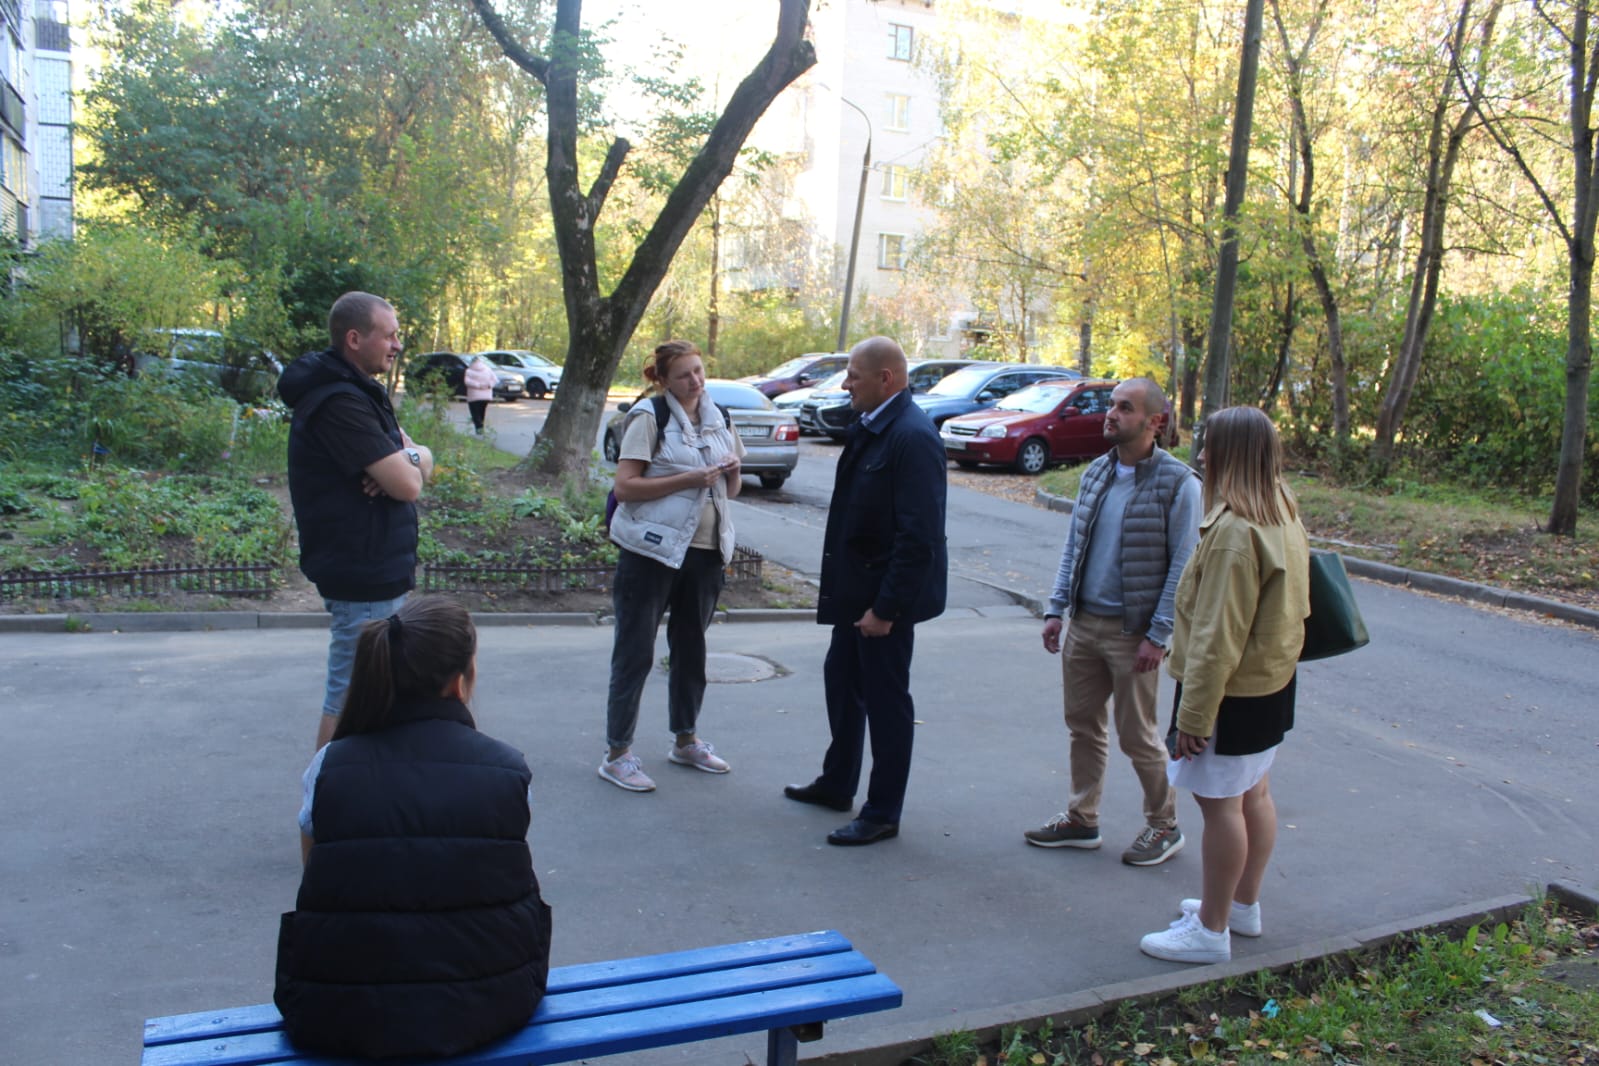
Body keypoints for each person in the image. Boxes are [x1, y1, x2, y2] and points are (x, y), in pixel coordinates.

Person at [275, 595, 552, 1058]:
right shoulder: (507, 770)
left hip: (338, 1009)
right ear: (459, 682)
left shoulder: (329, 767)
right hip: (491, 1001)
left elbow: (316, 875)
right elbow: (503, 878)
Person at [1137, 406, 1309, 965]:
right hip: (1269, 685)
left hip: (1227, 693)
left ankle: (1210, 932)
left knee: (1220, 808)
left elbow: (1216, 637)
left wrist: (1193, 717)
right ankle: (1241, 906)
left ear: (1234, 454)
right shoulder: (1279, 505)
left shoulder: (1235, 531)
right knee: (1253, 794)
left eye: (1210, 446)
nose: (1202, 455)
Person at [1028, 378, 1201, 866]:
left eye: (1125, 408)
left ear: (1155, 422)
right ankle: (1083, 819)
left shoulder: (1180, 484)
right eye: (1111, 406)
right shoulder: (1096, 474)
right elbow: (1074, 547)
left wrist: (1158, 635)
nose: (1112, 414)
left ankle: (1164, 826)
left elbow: (1182, 567)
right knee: (1082, 725)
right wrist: (1055, 608)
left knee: (1137, 735)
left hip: (1135, 636)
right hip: (1084, 624)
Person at [783, 336, 948, 846]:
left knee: (886, 702)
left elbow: (917, 537)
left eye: (854, 374)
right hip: (857, 595)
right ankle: (838, 784)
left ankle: (881, 812)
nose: (846, 382)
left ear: (887, 379)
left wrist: (886, 609)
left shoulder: (912, 436)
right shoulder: (873, 426)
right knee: (842, 683)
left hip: (883, 603)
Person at [279, 291, 433, 750]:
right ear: (353, 338)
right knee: (348, 698)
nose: (397, 345)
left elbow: (419, 459)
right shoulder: (339, 403)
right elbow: (409, 485)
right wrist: (405, 467)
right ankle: (322, 807)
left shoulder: (361, 392)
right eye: (388, 335)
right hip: (362, 573)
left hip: (378, 569)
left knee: (372, 694)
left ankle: (353, 797)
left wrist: (404, 459)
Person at [599, 340, 746, 792]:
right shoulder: (650, 417)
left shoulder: (720, 417)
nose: (695, 381)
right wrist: (689, 478)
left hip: (704, 553)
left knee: (691, 650)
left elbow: (732, 490)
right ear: (663, 380)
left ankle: (686, 740)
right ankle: (618, 754)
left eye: (699, 371)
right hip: (651, 553)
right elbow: (626, 488)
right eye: (684, 375)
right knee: (636, 651)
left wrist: (732, 470)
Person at [464, 355, 497, 434]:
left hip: (474, 396)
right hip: (486, 396)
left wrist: (478, 385)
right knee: (482, 412)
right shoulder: (488, 369)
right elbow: (495, 380)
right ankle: (481, 427)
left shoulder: (469, 371)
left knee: (475, 413)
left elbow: (467, 382)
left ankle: (479, 428)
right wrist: (488, 385)